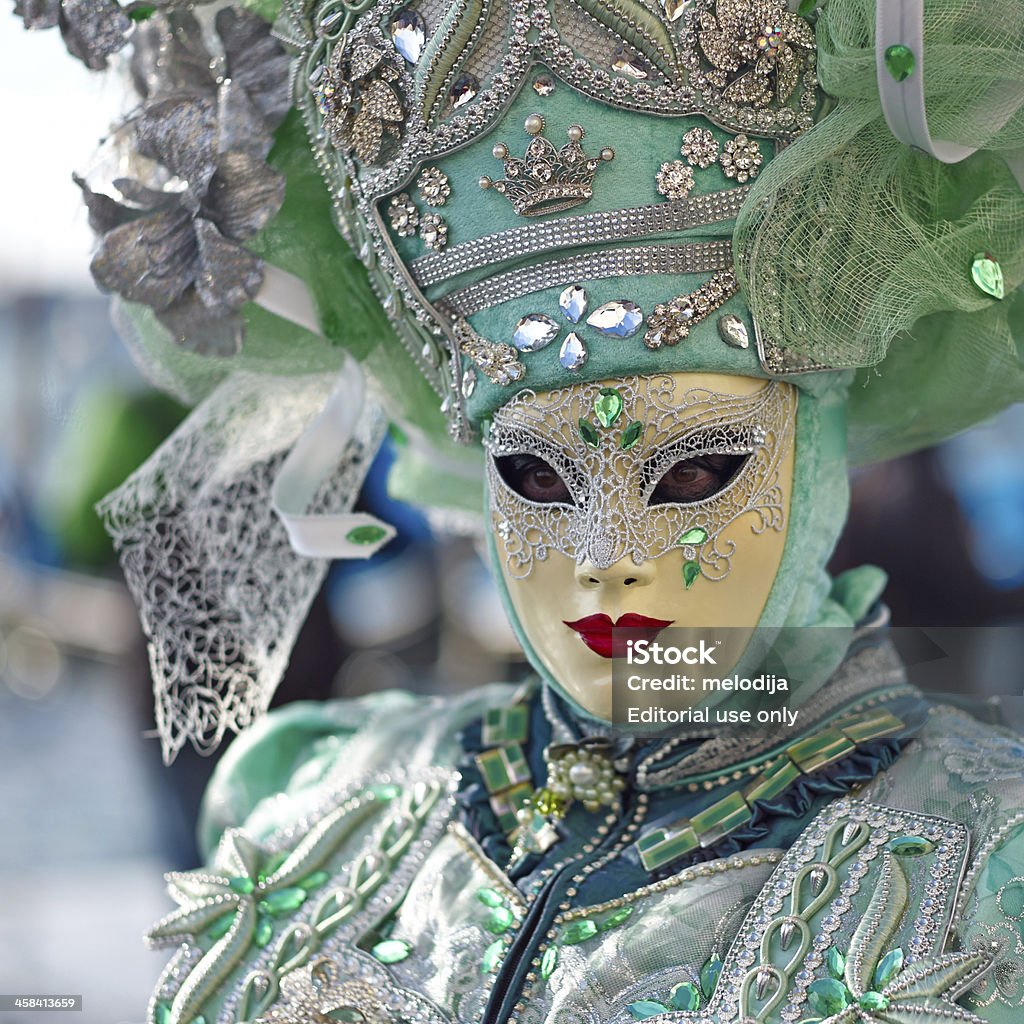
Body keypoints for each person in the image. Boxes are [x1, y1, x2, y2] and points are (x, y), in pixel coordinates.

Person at [15, 0, 1024, 1020]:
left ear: (813, 459)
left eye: (689, 474)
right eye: (539, 480)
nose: (606, 561)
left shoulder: (985, 877)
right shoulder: (326, 810)